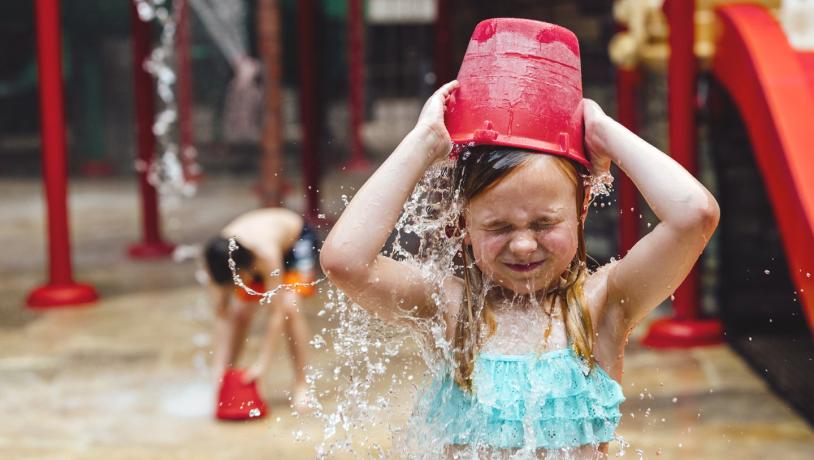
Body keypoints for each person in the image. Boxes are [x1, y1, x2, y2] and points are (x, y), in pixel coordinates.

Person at [319, 81, 719, 456]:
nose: (524, 244)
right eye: (498, 227)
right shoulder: (451, 307)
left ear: (579, 214)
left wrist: (602, 131)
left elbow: (694, 216)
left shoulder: (601, 303)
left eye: (544, 224)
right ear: (464, 227)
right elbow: (345, 261)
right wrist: (423, 144)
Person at [204, 208, 317, 414]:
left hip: (295, 241)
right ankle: (226, 376)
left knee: (290, 307)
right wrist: (218, 369)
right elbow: (222, 314)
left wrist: (261, 364)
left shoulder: (266, 254)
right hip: (249, 256)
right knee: (240, 313)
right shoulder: (217, 261)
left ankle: (302, 384)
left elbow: (277, 313)